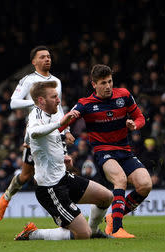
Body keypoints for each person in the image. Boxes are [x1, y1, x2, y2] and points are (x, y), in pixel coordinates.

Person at [14, 81, 113, 240]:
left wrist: (62, 157)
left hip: (63, 178)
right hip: (50, 188)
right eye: (54, 97)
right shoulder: (36, 116)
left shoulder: (49, 115)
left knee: (106, 197)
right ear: (41, 101)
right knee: (82, 234)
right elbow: (33, 132)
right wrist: (60, 124)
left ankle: (94, 230)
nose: (59, 100)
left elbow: (37, 138)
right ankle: (33, 233)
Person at [64, 64, 152, 238]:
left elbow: (139, 117)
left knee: (145, 185)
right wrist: (66, 131)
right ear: (94, 84)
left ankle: (113, 217)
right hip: (103, 152)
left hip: (124, 151)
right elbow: (66, 119)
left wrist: (135, 125)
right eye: (103, 83)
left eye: (110, 81)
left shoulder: (124, 95)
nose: (108, 86)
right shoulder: (85, 104)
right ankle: (116, 229)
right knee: (120, 179)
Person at [0, 46, 75, 221]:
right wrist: (35, 102)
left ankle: (65, 214)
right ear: (34, 62)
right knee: (26, 175)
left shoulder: (56, 81)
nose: (47, 59)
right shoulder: (28, 80)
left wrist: (67, 129)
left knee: (61, 171)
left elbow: (58, 106)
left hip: (53, 132)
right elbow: (14, 103)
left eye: (49, 56)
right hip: (36, 132)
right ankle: (6, 197)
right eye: (42, 57)